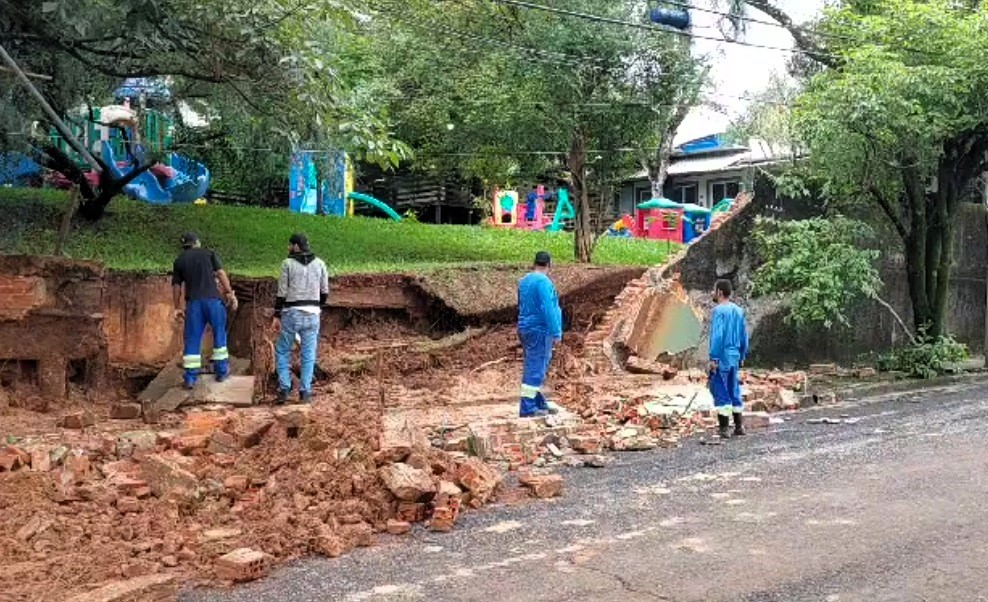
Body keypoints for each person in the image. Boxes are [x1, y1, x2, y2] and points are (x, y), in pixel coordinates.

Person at [172, 232, 237, 389]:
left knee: (192, 339)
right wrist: (229, 292)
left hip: (194, 304)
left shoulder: (179, 261)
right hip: (213, 302)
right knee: (219, 334)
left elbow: (176, 286)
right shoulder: (209, 254)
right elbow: (220, 273)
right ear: (197, 242)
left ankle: (190, 378)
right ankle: (221, 372)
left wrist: (177, 307)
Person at [272, 233, 330, 405]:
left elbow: (282, 292)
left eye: (290, 245)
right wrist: (318, 308)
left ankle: (284, 388)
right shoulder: (320, 263)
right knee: (308, 353)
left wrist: (276, 314)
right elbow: (325, 290)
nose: (288, 248)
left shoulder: (287, 264)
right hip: (313, 314)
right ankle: (305, 392)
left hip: (291, 313)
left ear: (296, 246)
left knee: (283, 350)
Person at [517, 251, 563, 418]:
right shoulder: (544, 282)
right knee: (536, 368)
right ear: (549, 264)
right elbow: (548, 308)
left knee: (533, 365)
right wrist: (556, 331)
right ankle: (528, 408)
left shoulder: (524, 281)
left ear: (534, 263)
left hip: (525, 328)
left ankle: (538, 402)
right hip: (540, 330)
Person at [708, 279, 749, 438]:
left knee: (720, 388)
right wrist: (742, 354)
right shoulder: (738, 311)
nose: (712, 293)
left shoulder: (719, 311)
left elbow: (717, 336)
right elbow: (744, 335)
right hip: (735, 356)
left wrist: (714, 357)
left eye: (713, 290)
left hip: (722, 356)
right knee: (734, 388)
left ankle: (724, 428)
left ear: (719, 292)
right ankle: (739, 426)